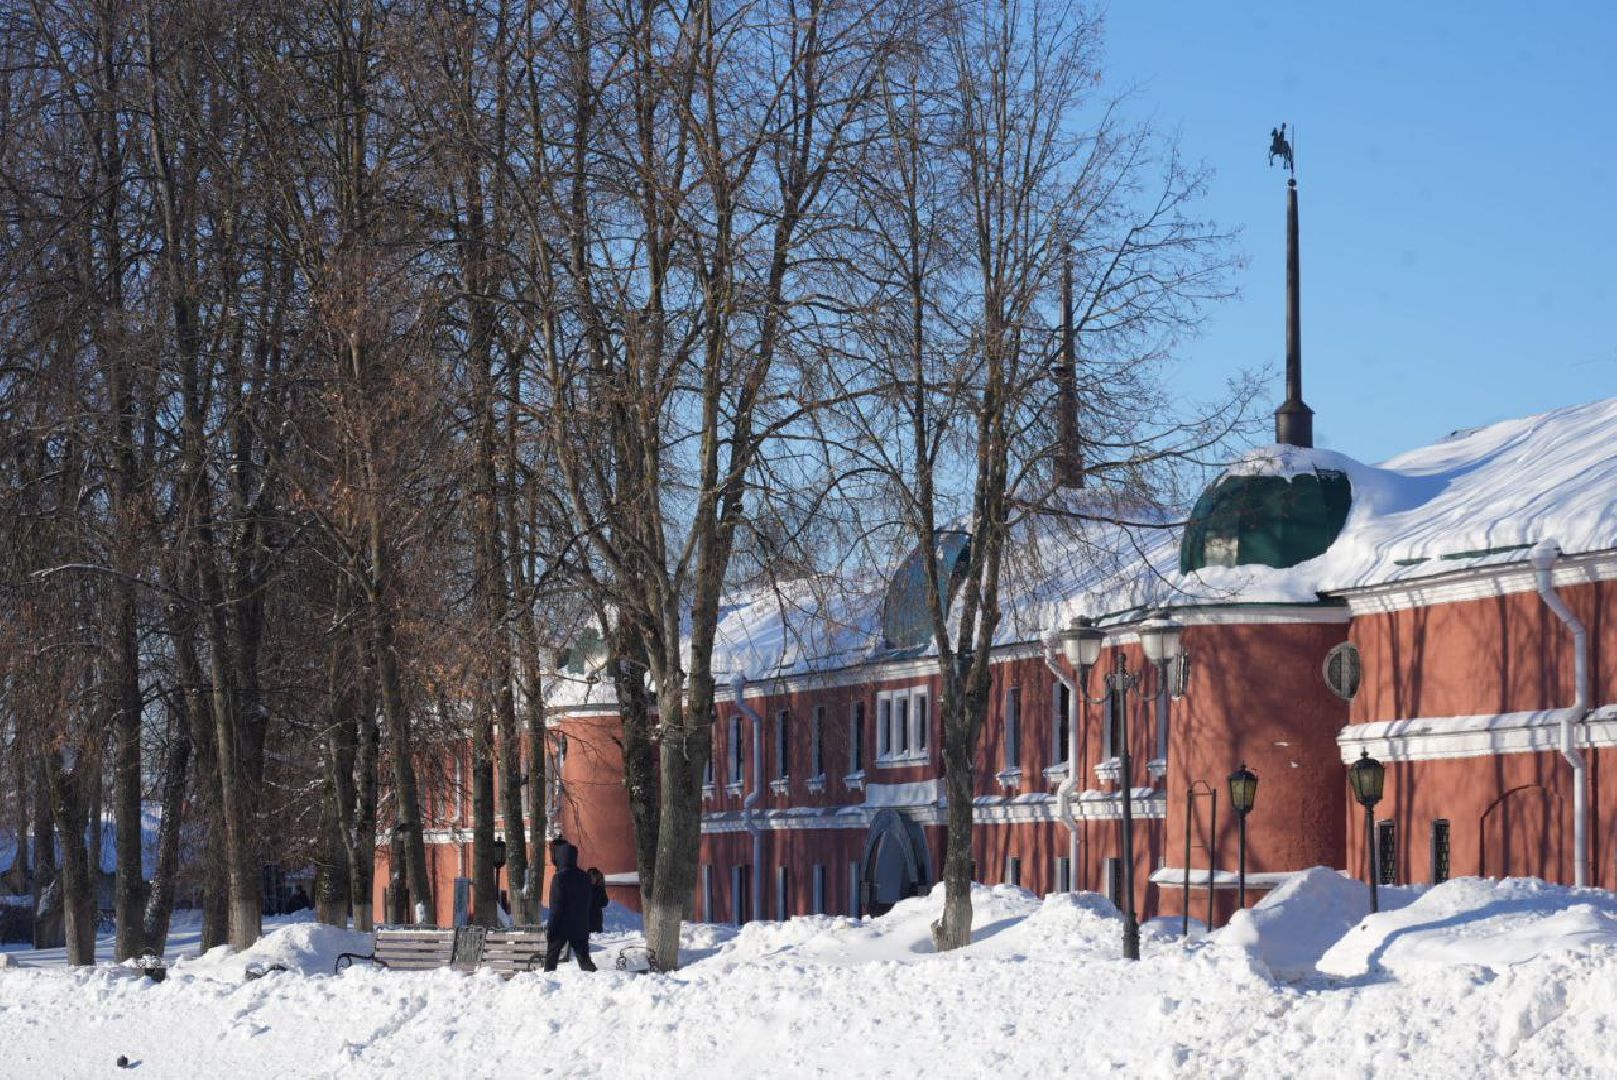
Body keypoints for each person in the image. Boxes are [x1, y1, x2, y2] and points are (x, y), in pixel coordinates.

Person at [542, 841, 596, 972]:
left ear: (561, 858)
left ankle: (547, 981)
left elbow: (556, 906)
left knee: (551, 960)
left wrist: (552, 928)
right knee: (584, 960)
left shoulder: (559, 878)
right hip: (580, 925)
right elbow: (589, 902)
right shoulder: (585, 877)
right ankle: (596, 980)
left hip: (561, 926)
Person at [586, 867, 608, 936]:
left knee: (597, 937)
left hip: (596, 918)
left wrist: (597, 903)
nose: (592, 879)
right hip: (586, 918)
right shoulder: (584, 888)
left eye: (593, 877)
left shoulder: (600, 888)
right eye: (590, 877)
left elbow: (605, 902)